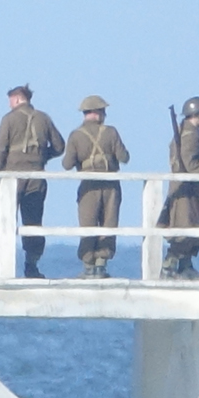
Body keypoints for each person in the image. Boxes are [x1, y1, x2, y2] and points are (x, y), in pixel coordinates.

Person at [0, 85, 65, 279]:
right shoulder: (44, 118)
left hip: (11, 177)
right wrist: (41, 157)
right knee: (33, 221)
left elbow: (0, 149)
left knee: (5, 220)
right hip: (36, 177)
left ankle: (4, 266)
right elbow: (59, 146)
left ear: (16, 99)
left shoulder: (8, 119)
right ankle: (31, 265)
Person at [62, 96, 130, 279]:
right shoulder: (111, 132)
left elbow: (67, 164)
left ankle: (88, 266)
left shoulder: (75, 135)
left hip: (88, 186)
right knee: (109, 223)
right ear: (98, 113)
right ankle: (101, 264)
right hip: (110, 185)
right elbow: (124, 157)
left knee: (87, 223)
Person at [161, 96, 199, 280]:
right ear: (197, 114)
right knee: (184, 231)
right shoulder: (189, 135)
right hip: (187, 192)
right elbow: (190, 165)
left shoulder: (187, 133)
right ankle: (168, 268)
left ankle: (185, 267)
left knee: (194, 229)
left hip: (192, 190)